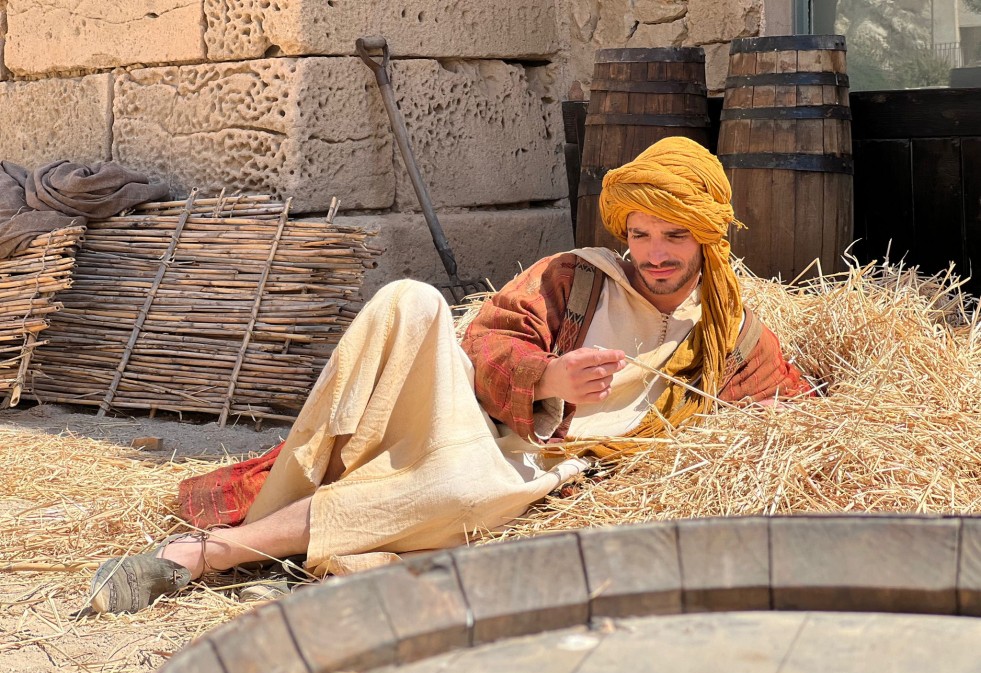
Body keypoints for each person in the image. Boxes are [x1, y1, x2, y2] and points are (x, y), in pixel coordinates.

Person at [89, 137, 810, 614]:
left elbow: (802, 415)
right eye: (640, 234)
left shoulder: (729, 334)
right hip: (472, 418)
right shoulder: (576, 278)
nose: (653, 254)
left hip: (535, 469)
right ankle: (300, 491)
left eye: (674, 236)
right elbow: (485, 342)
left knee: (456, 486)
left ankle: (197, 559)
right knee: (409, 300)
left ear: (707, 237)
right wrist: (549, 378)